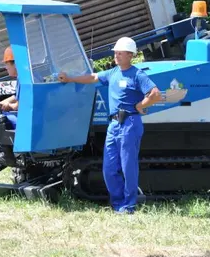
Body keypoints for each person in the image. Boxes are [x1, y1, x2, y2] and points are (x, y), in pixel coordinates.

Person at [59, 37, 161, 214]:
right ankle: (118, 203)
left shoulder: (137, 75)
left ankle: (128, 206)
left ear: (130, 55)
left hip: (130, 123)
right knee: (109, 168)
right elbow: (93, 77)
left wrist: (140, 106)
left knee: (128, 167)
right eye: (115, 52)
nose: (116, 55)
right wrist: (70, 78)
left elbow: (155, 94)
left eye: (120, 53)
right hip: (113, 124)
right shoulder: (112, 73)